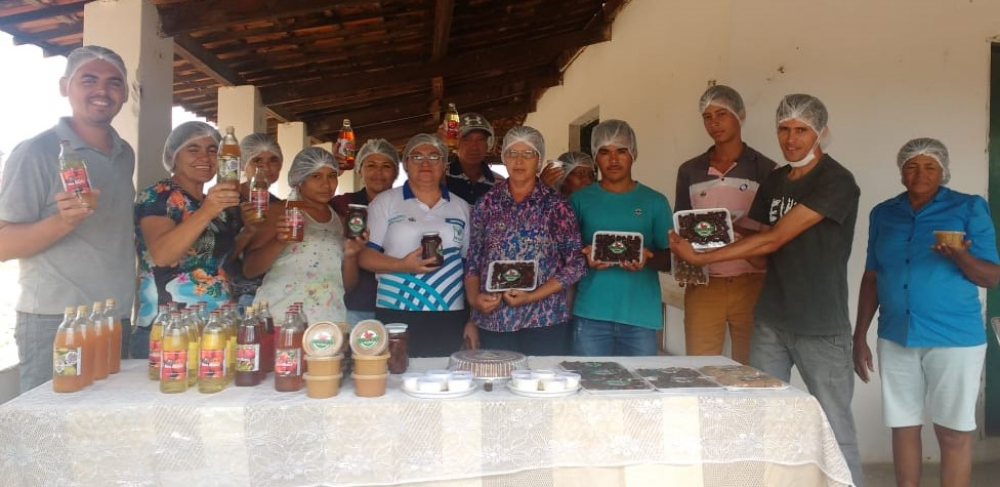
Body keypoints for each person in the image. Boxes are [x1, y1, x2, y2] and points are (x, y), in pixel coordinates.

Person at [669, 94, 863, 485]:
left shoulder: (836, 180)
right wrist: (702, 232)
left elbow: (773, 239)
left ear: (821, 132)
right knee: (761, 414)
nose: (791, 139)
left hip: (819, 321)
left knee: (832, 424)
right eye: (784, 129)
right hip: (771, 316)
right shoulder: (775, 179)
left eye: (801, 130)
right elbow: (750, 235)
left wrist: (703, 255)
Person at [853, 138, 1000, 487]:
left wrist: (960, 256)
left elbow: (991, 277)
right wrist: (859, 337)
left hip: (955, 338)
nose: (920, 174)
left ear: (943, 171)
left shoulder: (968, 207)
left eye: (930, 166)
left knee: (953, 432)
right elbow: (872, 276)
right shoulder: (883, 213)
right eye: (912, 166)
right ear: (901, 171)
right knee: (903, 426)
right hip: (896, 334)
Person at [0, 45, 136, 392]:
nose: (102, 91)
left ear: (125, 93)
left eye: (114, 82)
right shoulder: (37, 152)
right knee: (51, 418)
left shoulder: (124, 154)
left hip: (115, 316)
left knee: (107, 417)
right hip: (57, 320)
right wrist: (63, 221)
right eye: (88, 80)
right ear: (65, 87)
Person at [673, 85, 777, 364]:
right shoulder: (690, 170)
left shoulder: (766, 169)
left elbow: (773, 235)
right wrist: (683, 265)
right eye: (707, 116)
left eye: (722, 114)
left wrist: (732, 230)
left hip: (753, 282)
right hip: (705, 283)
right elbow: (682, 226)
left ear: (740, 115)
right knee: (701, 369)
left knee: (752, 370)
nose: (714, 123)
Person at [464, 126, 587, 354]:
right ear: (504, 158)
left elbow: (576, 265)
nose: (519, 161)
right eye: (512, 153)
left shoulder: (556, 206)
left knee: (543, 377)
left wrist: (531, 296)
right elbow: (474, 260)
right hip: (496, 318)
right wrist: (474, 300)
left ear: (539, 160)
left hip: (545, 319)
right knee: (499, 375)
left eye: (527, 153)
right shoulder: (487, 204)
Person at [133, 121, 243, 358]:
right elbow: (162, 255)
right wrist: (207, 211)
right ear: (174, 156)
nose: (205, 157)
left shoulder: (214, 203)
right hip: (170, 328)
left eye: (212, 150)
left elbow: (219, 263)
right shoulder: (158, 196)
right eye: (193, 149)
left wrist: (251, 230)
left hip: (216, 324)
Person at [359, 134, 471, 357]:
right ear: (406, 164)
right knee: (396, 371)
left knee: (443, 373)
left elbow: (470, 266)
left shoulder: (461, 207)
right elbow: (364, 256)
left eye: (434, 157)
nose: (425, 163)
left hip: (449, 310)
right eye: (417, 156)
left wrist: (472, 318)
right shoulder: (385, 202)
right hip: (396, 307)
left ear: (444, 164)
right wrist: (402, 265)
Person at [569, 119, 672, 356]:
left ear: (633, 154)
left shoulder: (655, 202)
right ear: (595, 157)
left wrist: (648, 257)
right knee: (589, 379)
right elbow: (564, 256)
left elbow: (671, 259)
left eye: (621, 151)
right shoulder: (579, 201)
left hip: (640, 317)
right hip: (591, 314)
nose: (613, 159)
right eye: (605, 152)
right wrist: (584, 258)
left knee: (639, 381)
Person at [246, 147, 362, 323]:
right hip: (281, 318)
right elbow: (249, 269)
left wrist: (351, 255)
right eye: (316, 176)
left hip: (328, 321)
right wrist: (279, 242)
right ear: (299, 179)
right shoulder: (279, 212)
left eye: (332, 176)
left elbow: (346, 286)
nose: (326, 184)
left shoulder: (341, 221)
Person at [330, 139, 400, 326]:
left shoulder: (407, 205)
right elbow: (309, 206)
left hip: (399, 301)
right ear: (359, 170)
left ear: (396, 172)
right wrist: (333, 170)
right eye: (371, 165)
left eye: (386, 166)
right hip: (356, 303)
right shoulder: (343, 204)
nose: (378, 173)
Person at [228, 133, 284, 313]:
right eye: (257, 161)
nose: (266, 167)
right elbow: (217, 257)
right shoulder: (227, 199)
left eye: (273, 160)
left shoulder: (279, 205)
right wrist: (247, 231)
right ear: (244, 164)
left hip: (269, 297)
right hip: (232, 298)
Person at [445, 112, 505, 205]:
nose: (474, 146)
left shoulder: (500, 183)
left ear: (488, 143)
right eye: (466, 139)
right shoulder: (441, 176)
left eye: (480, 139)